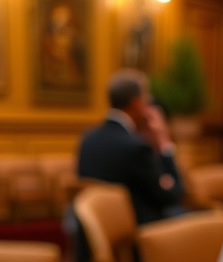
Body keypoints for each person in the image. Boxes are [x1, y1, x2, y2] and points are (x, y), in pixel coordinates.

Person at [77, 68, 185, 226]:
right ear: (136, 103)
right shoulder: (137, 148)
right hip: (138, 232)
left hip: (97, 228)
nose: (149, 105)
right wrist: (164, 143)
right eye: (146, 98)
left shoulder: (87, 139)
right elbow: (171, 197)